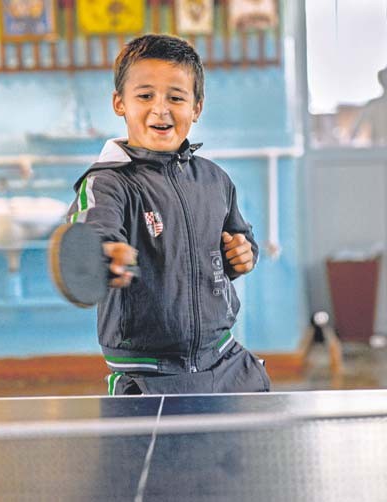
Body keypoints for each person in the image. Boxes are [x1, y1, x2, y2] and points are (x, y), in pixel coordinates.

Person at [66, 34, 270, 395]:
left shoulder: (214, 178)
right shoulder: (107, 183)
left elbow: (239, 240)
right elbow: (92, 230)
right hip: (149, 377)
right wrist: (101, 255)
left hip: (226, 361)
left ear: (196, 108)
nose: (161, 109)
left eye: (176, 98)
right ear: (120, 103)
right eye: (145, 96)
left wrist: (242, 255)